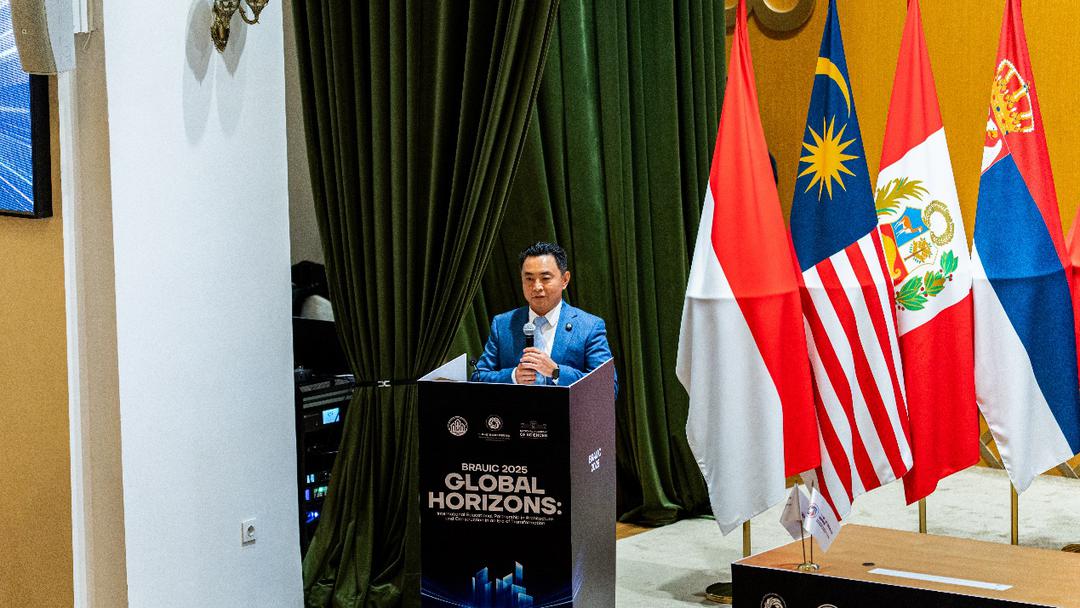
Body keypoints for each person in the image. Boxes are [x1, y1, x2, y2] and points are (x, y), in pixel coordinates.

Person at [471, 242, 617, 396]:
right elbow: (478, 377)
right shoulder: (503, 324)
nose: (537, 287)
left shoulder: (589, 327)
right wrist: (513, 376)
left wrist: (556, 372)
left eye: (545, 278)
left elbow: (607, 388)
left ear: (565, 279)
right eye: (529, 279)